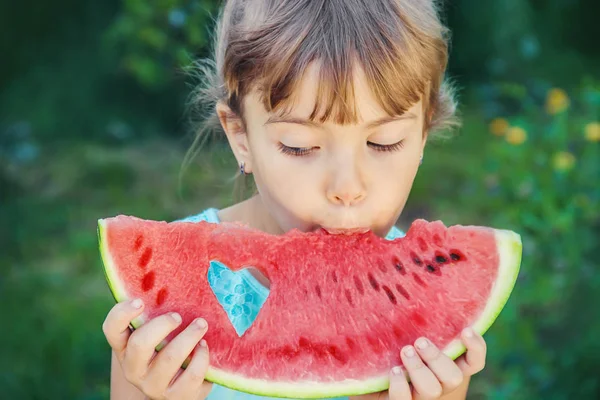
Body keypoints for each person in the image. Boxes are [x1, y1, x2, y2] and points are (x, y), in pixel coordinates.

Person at [101, 0, 488, 398]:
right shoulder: (163, 315)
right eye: (300, 146)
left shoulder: (422, 311)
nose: (347, 187)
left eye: (383, 142)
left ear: (423, 136)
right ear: (241, 137)